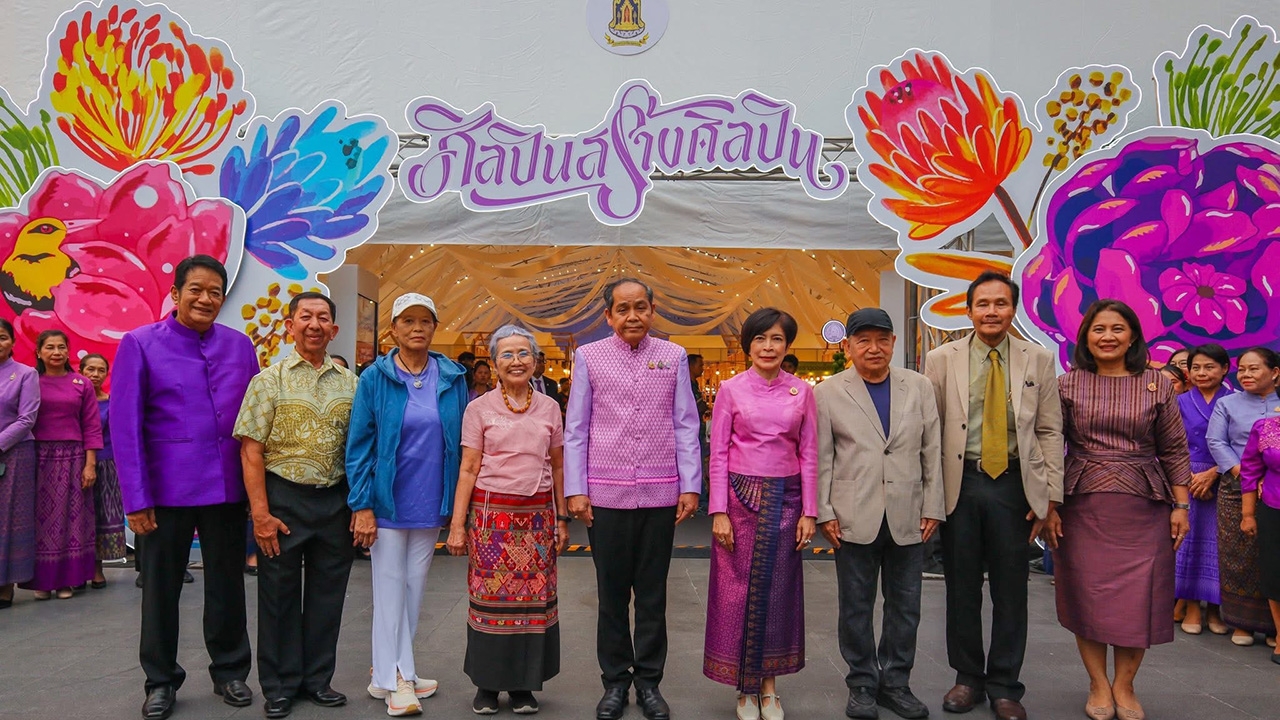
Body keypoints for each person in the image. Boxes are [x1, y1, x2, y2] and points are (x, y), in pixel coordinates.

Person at [114, 255, 260, 720]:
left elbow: (254, 422)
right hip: (165, 493)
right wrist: (136, 499)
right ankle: (160, 680)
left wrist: (257, 495)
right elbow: (125, 428)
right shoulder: (140, 344)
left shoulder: (239, 346)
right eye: (196, 289)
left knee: (227, 586)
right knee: (160, 591)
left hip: (227, 489)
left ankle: (230, 671)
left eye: (215, 292)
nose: (205, 299)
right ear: (176, 293)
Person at [922, 271, 1063, 720]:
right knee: (961, 587)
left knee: (1011, 589)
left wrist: (1051, 496)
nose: (991, 311)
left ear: (1013, 310)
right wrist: (929, 495)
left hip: (1015, 484)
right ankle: (967, 678)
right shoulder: (941, 359)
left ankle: (1005, 685)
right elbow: (930, 429)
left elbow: (1049, 429)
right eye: (982, 304)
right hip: (960, 482)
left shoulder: (1038, 359)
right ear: (968, 311)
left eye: (1001, 303)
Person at [564, 277, 701, 720]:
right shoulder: (589, 356)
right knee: (611, 595)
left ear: (652, 311)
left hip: (660, 492)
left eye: (640, 307)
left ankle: (649, 683)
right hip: (605, 494)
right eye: (622, 309)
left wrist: (690, 484)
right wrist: (576, 489)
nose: (632, 316)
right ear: (608, 316)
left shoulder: (673, 356)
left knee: (653, 595)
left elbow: (686, 423)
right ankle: (615, 683)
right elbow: (576, 427)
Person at [1054, 299, 1192, 720]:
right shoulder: (1066, 385)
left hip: (1145, 504)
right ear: (1085, 337)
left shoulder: (1157, 384)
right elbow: (1049, 448)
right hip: (1083, 504)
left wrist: (1181, 505)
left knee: (1139, 597)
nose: (1108, 336)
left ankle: (1125, 685)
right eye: (1099, 329)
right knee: (1088, 595)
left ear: (1132, 336)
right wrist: (1048, 505)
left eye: (1117, 328)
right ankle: (1098, 684)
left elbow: (1174, 449)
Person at [233, 291, 358, 718]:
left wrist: (359, 505)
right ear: (290, 325)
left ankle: (318, 680)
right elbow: (250, 451)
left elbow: (360, 448)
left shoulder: (352, 384)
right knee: (278, 597)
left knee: (328, 597)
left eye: (323, 318)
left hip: (335, 501)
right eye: (306, 316)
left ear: (334, 330)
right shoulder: (268, 380)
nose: (314, 324)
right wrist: (260, 514)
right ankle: (280, 686)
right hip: (282, 499)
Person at [346, 292, 468, 717]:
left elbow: (462, 442)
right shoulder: (374, 378)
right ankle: (396, 678)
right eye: (408, 321)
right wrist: (361, 504)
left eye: (425, 321)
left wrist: (458, 505)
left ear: (435, 327)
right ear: (393, 329)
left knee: (414, 589)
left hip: (432, 499)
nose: (417, 328)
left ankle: (395, 670)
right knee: (389, 588)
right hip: (387, 502)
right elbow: (359, 445)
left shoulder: (452, 376)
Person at [816, 308, 942, 720]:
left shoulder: (919, 386)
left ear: (893, 343)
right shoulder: (828, 392)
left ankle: (896, 683)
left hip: (909, 513)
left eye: (882, 339)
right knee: (855, 606)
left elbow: (932, 451)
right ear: (848, 345)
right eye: (864, 340)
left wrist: (934, 506)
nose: (874, 348)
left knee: (905, 607)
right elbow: (822, 457)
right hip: (852, 515)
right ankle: (862, 685)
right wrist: (824, 512)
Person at [446, 325, 569, 715]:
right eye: (507, 355)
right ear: (494, 363)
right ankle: (486, 685)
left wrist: (561, 518)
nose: (516, 361)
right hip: (491, 520)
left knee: (532, 603)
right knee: (489, 600)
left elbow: (558, 465)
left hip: (537, 519)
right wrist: (457, 524)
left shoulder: (549, 407)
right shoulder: (478, 408)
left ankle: (522, 686)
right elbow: (468, 468)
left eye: (523, 353)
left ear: (535, 360)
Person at [703, 308, 817, 720]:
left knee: (779, 592)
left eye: (777, 339)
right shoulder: (731, 389)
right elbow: (718, 453)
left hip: (787, 500)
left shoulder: (802, 392)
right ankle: (744, 688)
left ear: (787, 346)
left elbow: (810, 453)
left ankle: (769, 687)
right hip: (740, 499)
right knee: (736, 594)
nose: (768, 347)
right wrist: (718, 510)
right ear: (748, 345)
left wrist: (810, 511)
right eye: (760, 339)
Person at [20, 330, 102, 600]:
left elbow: (91, 426)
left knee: (72, 518)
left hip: (73, 458)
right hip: (36, 457)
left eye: (61, 347)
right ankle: (42, 582)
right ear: (39, 352)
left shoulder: (81, 383)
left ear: (68, 352)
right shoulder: (30, 381)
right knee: (37, 519)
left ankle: (67, 580)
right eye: (50, 347)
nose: (56, 352)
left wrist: (90, 465)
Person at [1208, 347, 1280, 646]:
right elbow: (1216, 441)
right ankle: (1242, 624)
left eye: (1254, 368)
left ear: (1274, 373)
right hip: (1236, 486)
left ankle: (1275, 628)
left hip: (1275, 488)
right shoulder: (1228, 404)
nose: (1246, 375)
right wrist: (1246, 474)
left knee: (1272, 557)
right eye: (1242, 369)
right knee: (1238, 555)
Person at [1173, 345, 1233, 635]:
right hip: (1186, 478)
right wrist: (1189, 477)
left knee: (1220, 545)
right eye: (1195, 367)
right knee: (1190, 543)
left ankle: (1215, 610)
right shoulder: (1179, 402)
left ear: (1224, 369)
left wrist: (1215, 473)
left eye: (1209, 367)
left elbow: (1244, 444)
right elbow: (1169, 444)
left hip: (1226, 478)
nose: (1201, 373)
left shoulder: (1235, 402)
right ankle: (1192, 606)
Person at [0, 317, 38, 609]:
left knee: (9, 519)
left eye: (2, 337)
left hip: (15, 454)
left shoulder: (25, 374)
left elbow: (27, 418)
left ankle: (5, 585)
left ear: (12, 342)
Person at [80, 354, 125, 589]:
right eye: (90, 369)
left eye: (100, 370)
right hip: (74, 463)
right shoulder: (72, 400)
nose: (95, 374)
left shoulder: (112, 402)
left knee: (101, 516)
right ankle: (75, 571)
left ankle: (97, 569)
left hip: (107, 463)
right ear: (80, 371)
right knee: (77, 517)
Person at [1240, 413, 1280, 665]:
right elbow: (1250, 470)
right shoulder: (1265, 428)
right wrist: (1247, 514)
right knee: (1274, 573)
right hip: (1274, 508)